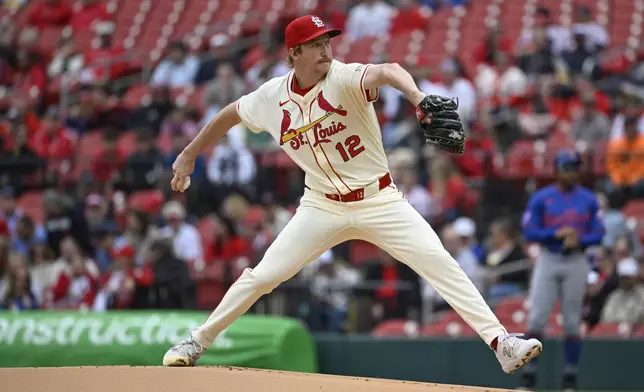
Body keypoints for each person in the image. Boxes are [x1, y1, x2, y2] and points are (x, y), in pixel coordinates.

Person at [164, 15, 542, 372]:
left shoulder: (343, 77)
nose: (325, 50)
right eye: (314, 45)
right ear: (293, 54)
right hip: (321, 206)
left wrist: (417, 96)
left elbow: (388, 70)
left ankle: (501, 343)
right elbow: (230, 113)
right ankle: (196, 342)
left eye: (327, 41)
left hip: (379, 199)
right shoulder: (271, 98)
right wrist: (188, 155)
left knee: (440, 263)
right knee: (263, 276)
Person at [520, 149, 605, 391]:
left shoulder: (588, 199)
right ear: (557, 170)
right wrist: (553, 234)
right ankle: (529, 375)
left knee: (571, 322)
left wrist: (581, 239)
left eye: (575, 168)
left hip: (576, 259)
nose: (571, 172)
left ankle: (570, 378)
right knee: (536, 318)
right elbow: (528, 231)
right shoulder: (542, 197)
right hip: (549, 257)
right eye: (567, 168)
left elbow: (599, 232)